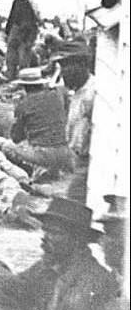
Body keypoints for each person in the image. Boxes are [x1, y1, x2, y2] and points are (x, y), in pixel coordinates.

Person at [0, 67, 74, 176]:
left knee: (7, 146)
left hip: (44, 153)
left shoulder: (24, 104)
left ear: (24, 87)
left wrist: (18, 111)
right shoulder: (56, 96)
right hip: (65, 150)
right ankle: (53, 168)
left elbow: (16, 137)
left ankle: (33, 170)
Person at [56, 50, 96, 202]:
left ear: (81, 66)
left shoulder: (92, 93)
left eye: (67, 69)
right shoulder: (78, 91)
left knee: (74, 199)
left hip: (89, 158)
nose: (63, 75)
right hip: (78, 156)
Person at [5, 0, 39, 79]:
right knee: (22, 60)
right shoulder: (30, 19)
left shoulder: (15, 18)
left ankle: (13, 75)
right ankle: (21, 77)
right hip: (23, 39)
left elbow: (8, 29)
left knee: (13, 59)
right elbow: (34, 31)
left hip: (18, 36)